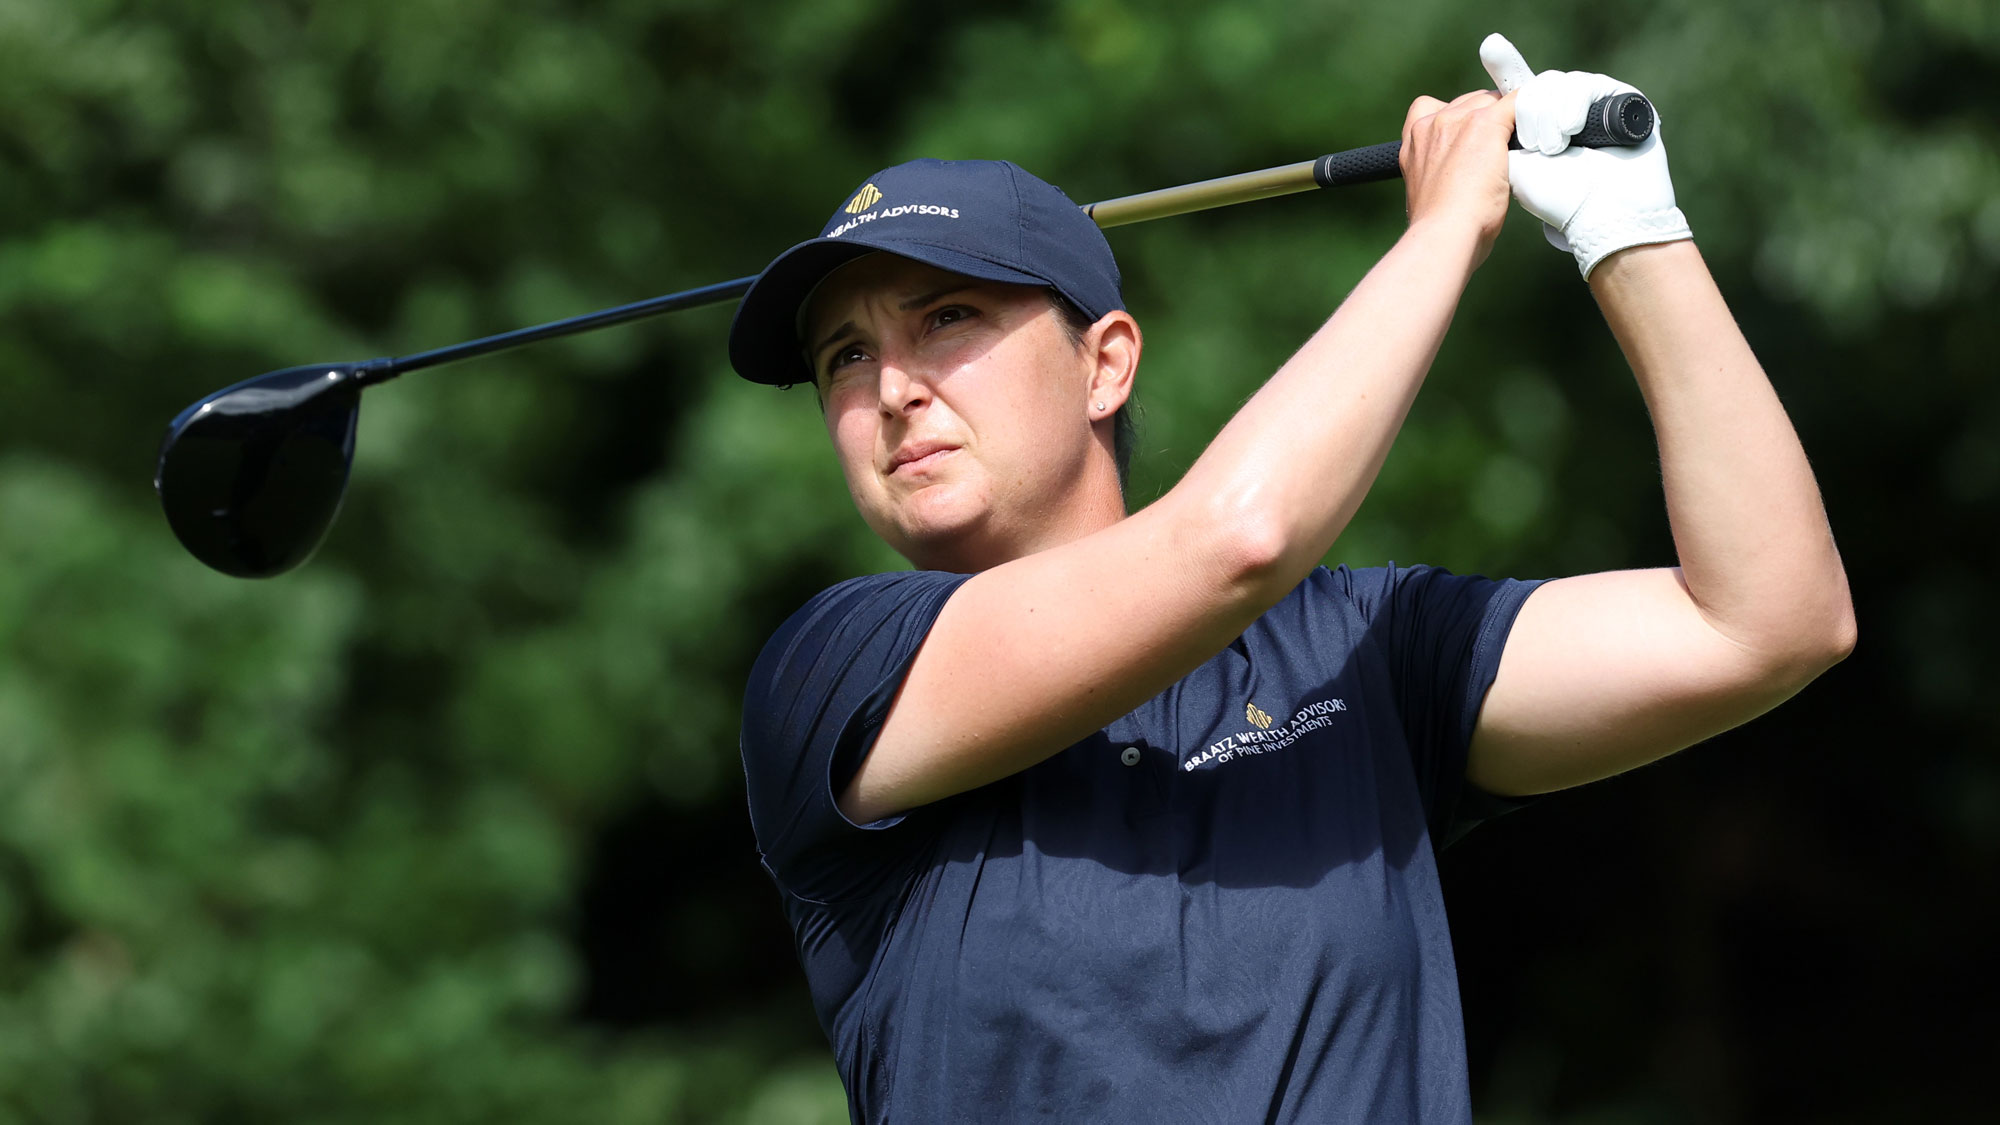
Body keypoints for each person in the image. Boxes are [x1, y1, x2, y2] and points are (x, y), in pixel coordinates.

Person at [727, 34, 1853, 1123]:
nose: (891, 390)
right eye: (846, 356)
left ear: (1104, 364)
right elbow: (1240, 539)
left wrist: (1632, 233)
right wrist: (1445, 229)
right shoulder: (832, 676)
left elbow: (1767, 623)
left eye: (945, 318)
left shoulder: (1358, 652)